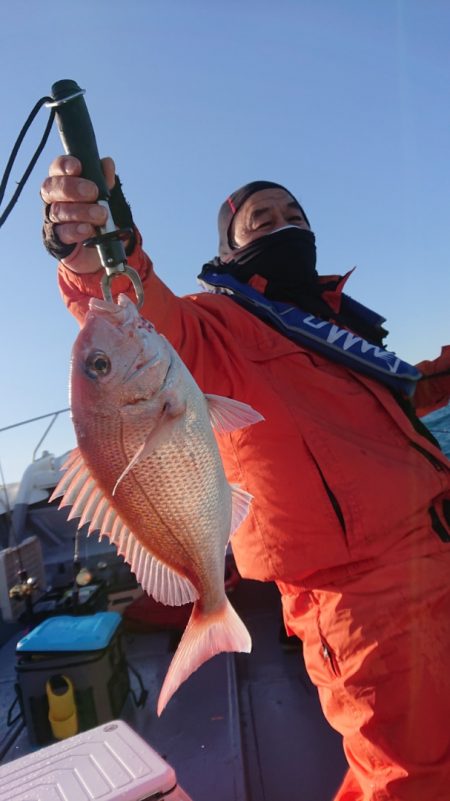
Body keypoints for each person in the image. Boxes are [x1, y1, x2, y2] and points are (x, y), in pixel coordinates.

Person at [41, 155, 450, 801]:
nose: (284, 225)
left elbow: (406, 391)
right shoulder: (213, 326)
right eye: (262, 220)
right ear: (229, 248)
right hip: (359, 598)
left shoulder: (335, 326)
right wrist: (90, 246)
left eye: (295, 215)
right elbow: (124, 298)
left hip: (438, 548)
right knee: (412, 777)